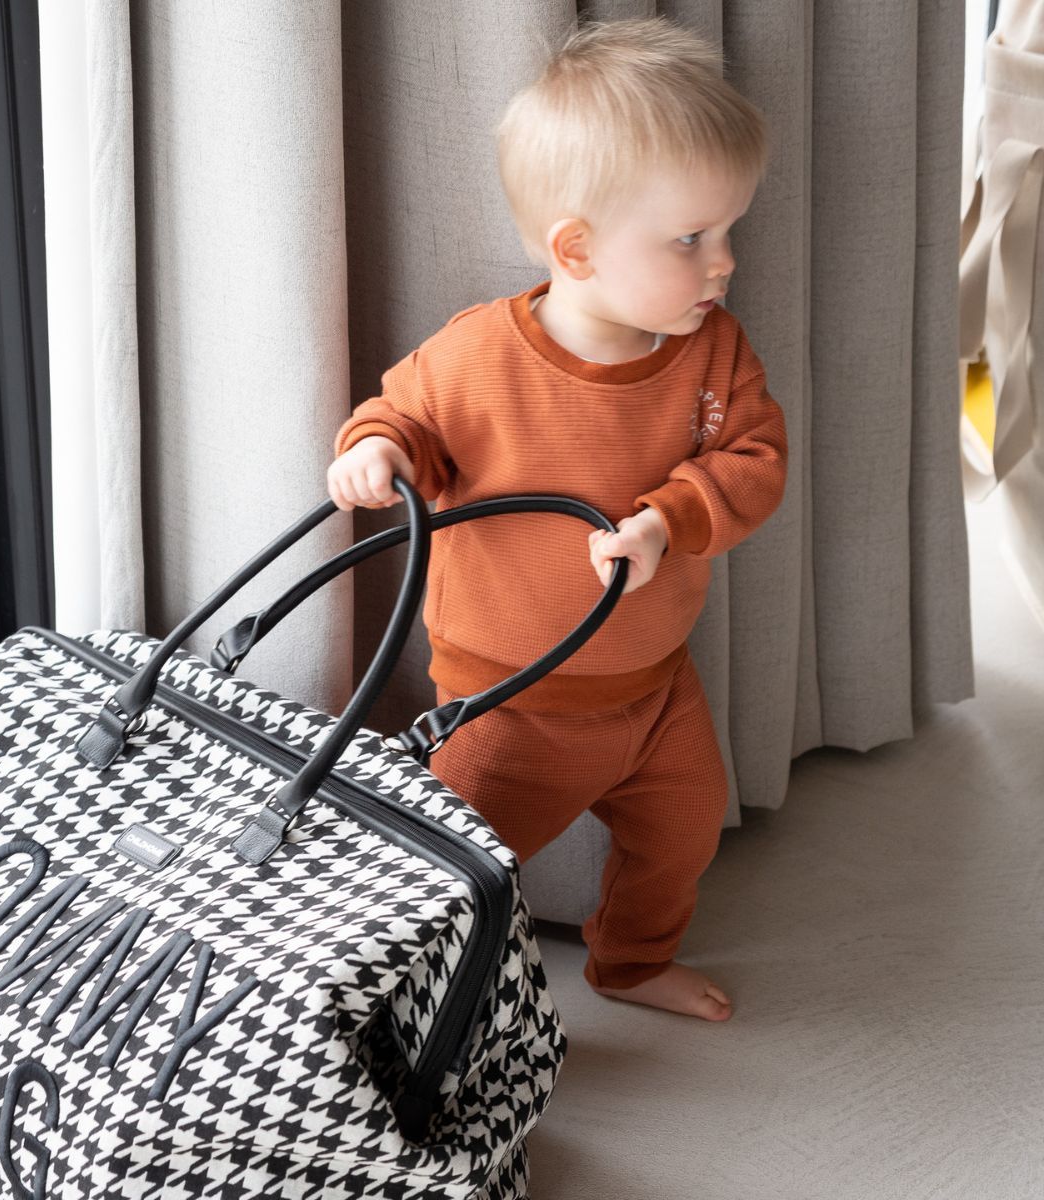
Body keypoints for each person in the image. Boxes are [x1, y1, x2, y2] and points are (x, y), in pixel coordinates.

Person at [327, 16, 787, 1022]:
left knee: (684, 829)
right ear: (576, 249)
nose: (725, 264)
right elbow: (401, 414)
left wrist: (668, 519)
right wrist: (376, 450)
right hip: (506, 706)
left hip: (656, 689)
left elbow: (755, 462)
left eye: (727, 233)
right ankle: (404, 1016)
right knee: (445, 877)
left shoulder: (713, 353)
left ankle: (632, 963)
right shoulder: (480, 356)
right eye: (692, 239)